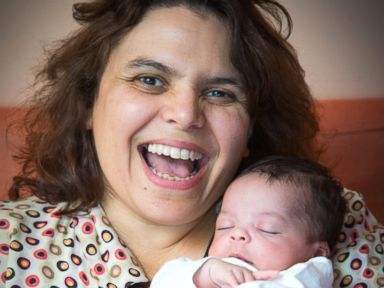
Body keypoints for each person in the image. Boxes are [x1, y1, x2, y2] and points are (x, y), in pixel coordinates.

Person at [0, 0, 382, 287]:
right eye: (149, 79)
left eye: (219, 92)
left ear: (250, 129)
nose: (185, 115)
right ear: (87, 102)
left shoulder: (332, 219)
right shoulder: (10, 242)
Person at [150, 156, 346, 288]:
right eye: (225, 226)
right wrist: (202, 274)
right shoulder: (204, 269)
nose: (237, 234)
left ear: (316, 253)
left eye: (267, 229)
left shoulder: (304, 276)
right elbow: (162, 282)